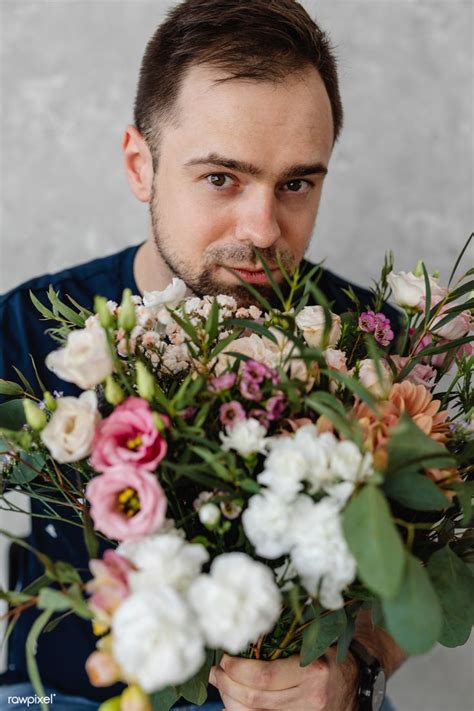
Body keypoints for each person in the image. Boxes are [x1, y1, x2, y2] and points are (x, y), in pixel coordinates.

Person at [0, 1, 406, 709]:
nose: (262, 228)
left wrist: (356, 675)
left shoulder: (374, 345)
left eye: (297, 184)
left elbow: (417, 570)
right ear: (140, 164)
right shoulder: (26, 329)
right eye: (221, 177)